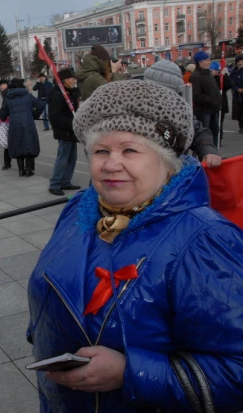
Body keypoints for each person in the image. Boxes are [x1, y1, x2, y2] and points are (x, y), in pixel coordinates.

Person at [27, 80, 243, 412]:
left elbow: (236, 371)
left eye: (130, 150)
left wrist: (132, 373)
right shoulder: (80, 209)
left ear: (167, 162)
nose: (111, 164)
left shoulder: (206, 240)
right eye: (101, 151)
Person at [144, 59, 222, 168]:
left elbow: (198, 131)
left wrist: (208, 150)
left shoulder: (178, 111)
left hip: (172, 173)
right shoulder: (127, 109)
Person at [0, 78, 43, 177]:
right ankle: (28, 170)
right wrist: (34, 115)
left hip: (14, 125)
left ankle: (21, 170)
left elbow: (2, 115)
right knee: (29, 144)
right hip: (28, 123)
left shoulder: (8, 98)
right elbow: (40, 105)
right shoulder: (28, 95)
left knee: (18, 145)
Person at [48, 68, 81, 196]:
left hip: (72, 131)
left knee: (72, 158)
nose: (74, 80)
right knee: (63, 158)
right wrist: (72, 123)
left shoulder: (70, 92)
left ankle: (66, 181)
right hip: (64, 131)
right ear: (64, 80)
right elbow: (54, 116)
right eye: (72, 78)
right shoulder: (57, 94)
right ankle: (55, 184)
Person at [190, 51, 221, 145]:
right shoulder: (195, 76)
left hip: (213, 108)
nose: (209, 62)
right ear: (200, 62)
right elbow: (196, 95)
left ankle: (215, 152)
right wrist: (209, 100)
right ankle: (206, 154)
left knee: (215, 132)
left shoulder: (208, 73)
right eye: (207, 60)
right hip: (204, 110)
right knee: (205, 134)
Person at [209, 61, 233, 145]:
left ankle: (219, 138)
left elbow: (230, 84)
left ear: (217, 71)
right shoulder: (209, 78)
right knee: (213, 123)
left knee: (219, 122)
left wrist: (225, 75)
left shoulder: (221, 78)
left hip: (221, 103)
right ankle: (213, 139)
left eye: (212, 70)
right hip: (212, 104)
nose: (211, 72)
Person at [0, 80, 12, 170]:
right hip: (8, 119)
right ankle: (7, 163)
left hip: (9, 120)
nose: (0, 87)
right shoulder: (4, 93)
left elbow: (4, 108)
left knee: (8, 143)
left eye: (1, 85)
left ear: (6, 85)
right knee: (8, 143)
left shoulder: (8, 94)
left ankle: (7, 163)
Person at [230, 56, 243, 133]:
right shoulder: (233, 72)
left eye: (242, 61)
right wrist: (236, 89)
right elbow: (230, 82)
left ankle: (242, 127)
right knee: (238, 112)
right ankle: (240, 125)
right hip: (237, 95)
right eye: (239, 61)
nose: (240, 63)